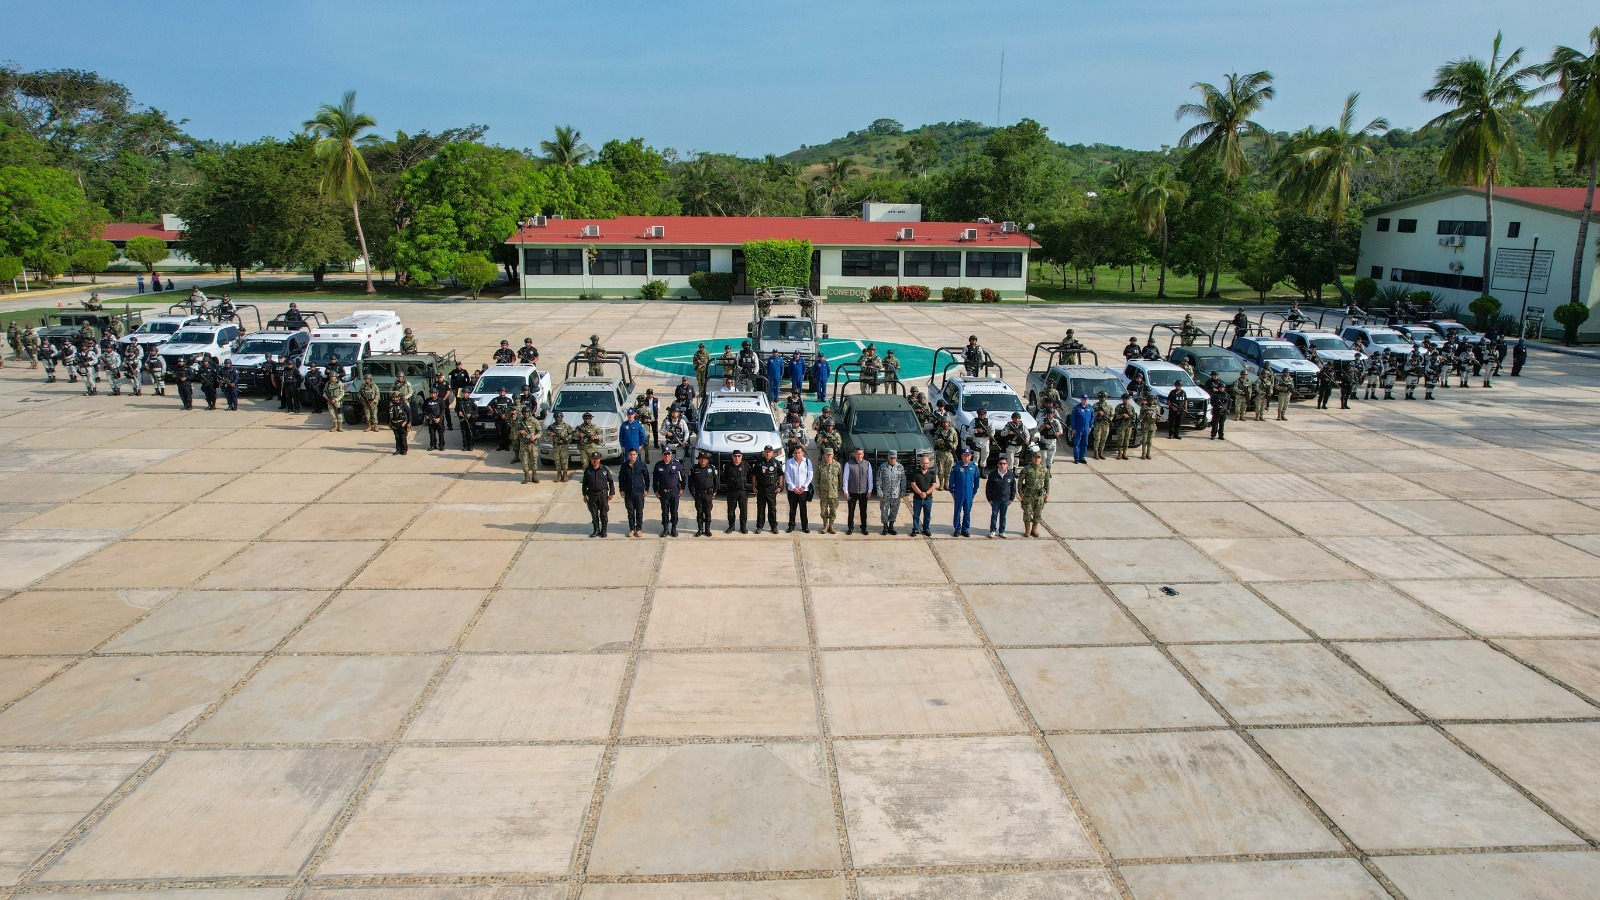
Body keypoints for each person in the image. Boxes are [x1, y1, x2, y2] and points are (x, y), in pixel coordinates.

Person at [617, 447, 650, 537]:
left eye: (634, 454)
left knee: (639, 511)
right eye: (631, 455)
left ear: (637, 455)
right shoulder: (624, 466)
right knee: (630, 512)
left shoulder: (641, 465)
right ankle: (632, 529)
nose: (632, 456)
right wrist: (621, 489)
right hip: (628, 492)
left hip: (639, 492)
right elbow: (621, 478)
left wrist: (646, 489)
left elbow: (646, 478)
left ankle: (638, 529)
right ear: (628, 455)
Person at [651, 447, 684, 537]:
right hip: (663, 493)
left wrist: (682, 488)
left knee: (674, 511)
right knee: (665, 512)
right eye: (665, 454)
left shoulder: (676, 464)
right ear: (662, 455)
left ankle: (674, 528)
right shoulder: (658, 465)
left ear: (671, 455)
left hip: (674, 492)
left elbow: (683, 477)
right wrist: (655, 491)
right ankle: (665, 529)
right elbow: (655, 480)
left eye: (668, 454)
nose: (667, 456)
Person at [581, 453, 615, 538]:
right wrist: (584, 494)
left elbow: (611, 482)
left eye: (597, 459)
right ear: (591, 459)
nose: (595, 461)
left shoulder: (605, 469)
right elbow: (584, 483)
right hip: (592, 495)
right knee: (594, 514)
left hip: (602, 495)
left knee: (604, 513)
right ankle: (596, 530)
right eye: (593, 459)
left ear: (600, 459)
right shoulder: (588, 470)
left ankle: (604, 530)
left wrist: (611, 493)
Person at [752, 444, 783, 534]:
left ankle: (773, 527)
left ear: (772, 453)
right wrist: (753, 486)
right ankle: (759, 526)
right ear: (764, 452)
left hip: (772, 489)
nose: (768, 453)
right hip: (761, 488)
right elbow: (754, 475)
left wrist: (780, 486)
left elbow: (781, 474)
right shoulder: (759, 462)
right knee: (761, 508)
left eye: (769, 452)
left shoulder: (776, 463)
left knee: (772, 509)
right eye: (766, 452)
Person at [843, 447, 874, 536]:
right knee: (851, 512)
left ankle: (864, 527)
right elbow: (845, 478)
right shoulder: (849, 464)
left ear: (863, 455)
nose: (859, 455)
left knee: (863, 512)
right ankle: (850, 527)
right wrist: (845, 491)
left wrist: (869, 490)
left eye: (861, 454)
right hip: (852, 491)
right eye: (857, 454)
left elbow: (870, 478)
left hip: (864, 492)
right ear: (854, 454)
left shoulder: (867, 464)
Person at [1019, 449, 1050, 538]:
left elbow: (1047, 482)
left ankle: (1034, 529)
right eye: (1035, 457)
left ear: (1041, 459)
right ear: (1032, 458)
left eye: (1038, 457)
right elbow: (1020, 481)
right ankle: (1027, 529)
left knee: (1038, 513)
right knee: (1027, 513)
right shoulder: (1026, 469)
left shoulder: (1044, 469)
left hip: (1039, 495)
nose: (1037, 459)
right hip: (1028, 495)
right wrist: (1020, 492)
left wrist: (1047, 493)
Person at [783, 444, 814, 533]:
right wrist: (794, 487)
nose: (797, 455)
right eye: (796, 453)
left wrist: (804, 486)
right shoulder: (789, 462)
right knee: (792, 509)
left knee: (803, 509)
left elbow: (810, 475)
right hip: (792, 491)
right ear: (793, 453)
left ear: (802, 453)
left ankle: (805, 526)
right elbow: (787, 476)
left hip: (803, 490)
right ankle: (791, 526)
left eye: (799, 453)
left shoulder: (807, 462)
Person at [720, 449, 752, 533]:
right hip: (732, 492)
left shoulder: (745, 465)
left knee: (743, 511)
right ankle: (731, 526)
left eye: (739, 456)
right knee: (731, 511)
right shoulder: (728, 466)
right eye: (735, 456)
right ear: (732, 457)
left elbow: (749, 476)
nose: (737, 458)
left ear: (741, 457)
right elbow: (725, 477)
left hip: (743, 491)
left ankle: (743, 527)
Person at [949, 448, 979, 537]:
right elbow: (951, 480)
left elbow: (977, 481)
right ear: (961, 456)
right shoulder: (956, 467)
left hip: (969, 493)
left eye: (968, 455)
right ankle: (957, 529)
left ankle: (965, 529)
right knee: (957, 511)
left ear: (971, 456)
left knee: (967, 511)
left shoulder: (974, 467)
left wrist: (974, 492)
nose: (966, 457)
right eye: (965, 455)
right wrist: (952, 491)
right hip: (958, 492)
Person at [689, 449, 719, 536]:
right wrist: (693, 494)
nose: (702, 460)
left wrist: (715, 491)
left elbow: (716, 481)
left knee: (708, 512)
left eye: (704, 459)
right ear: (698, 460)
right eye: (701, 459)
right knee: (699, 512)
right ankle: (700, 529)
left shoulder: (712, 468)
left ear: (707, 460)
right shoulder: (694, 469)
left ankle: (707, 529)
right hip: (698, 494)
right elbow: (690, 483)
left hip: (708, 494)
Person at [986, 456, 1017, 538]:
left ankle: (1002, 531)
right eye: (1001, 463)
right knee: (994, 515)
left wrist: (1011, 499)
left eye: (1004, 463)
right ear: (998, 465)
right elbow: (988, 488)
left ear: (1007, 465)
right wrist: (989, 499)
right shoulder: (993, 474)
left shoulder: (1010, 475)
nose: (1002, 465)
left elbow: (1013, 487)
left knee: (1003, 516)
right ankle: (993, 530)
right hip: (995, 499)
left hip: (1005, 500)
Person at [876, 450, 906, 535]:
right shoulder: (883, 467)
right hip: (885, 494)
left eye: (894, 458)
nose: (893, 459)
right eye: (891, 458)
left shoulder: (900, 467)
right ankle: (885, 527)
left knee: (894, 511)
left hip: (896, 494)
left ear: (896, 458)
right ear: (888, 457)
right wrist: (879, 490)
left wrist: (903, 491)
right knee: (884, 510)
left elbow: (903, 480)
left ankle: (891, 526)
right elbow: (878, 479)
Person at [815, 447, 842, 534]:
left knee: (833, 510)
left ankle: (831, 525)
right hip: (823, 492)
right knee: (823, 510)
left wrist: (839, 490)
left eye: (830, 454)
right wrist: (817, 490)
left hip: (834, 492)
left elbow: (841, 478)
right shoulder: (820, 465)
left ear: (833, 455)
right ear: (824, 455)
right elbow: (817, 479)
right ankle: (825, 525)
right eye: (827, 455)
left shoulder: (837, 465)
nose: (829, 456)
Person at [908, 453, 936, 537]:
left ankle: (926, 529)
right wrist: (920, 493)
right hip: (917, 498)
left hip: (928, 498)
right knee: (916, 515)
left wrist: (926, 493)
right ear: (920, 463)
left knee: (927, 515)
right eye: (923, 463)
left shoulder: (932, 474)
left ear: (929, 464)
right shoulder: (915, 473)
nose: (925, 465)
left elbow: (934, 485)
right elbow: (913, 484)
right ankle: (915, 529)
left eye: (927, 463)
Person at [932, 416, 960, 489]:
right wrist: (939, 441)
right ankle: (941, 484)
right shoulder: (938, 432)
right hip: (941, 453)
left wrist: (952, 447)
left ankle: (946, 484)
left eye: (946, 422)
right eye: (943, 422)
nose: (945, 424)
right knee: (940, 470)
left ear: (949, 423)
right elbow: (934, 441)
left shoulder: (952, 431)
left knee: (949, 469)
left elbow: (956, 441)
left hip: (949, 453)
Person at [1068, 395, 1093, 464]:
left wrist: (1090, 426)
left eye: (1086, 399)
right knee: (1077, 443)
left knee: (1085, 443)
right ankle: (1076, 458)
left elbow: (1092, 418)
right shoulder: (1076, 408)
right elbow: (1072, 419)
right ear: (1081, 399)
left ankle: (1082, 457)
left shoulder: (1090, 408)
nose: (1085, 401)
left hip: (1086, 428)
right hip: (1078, 428)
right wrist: (1073, 428)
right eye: (1083, 399)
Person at [1090, 392, 1112, 460]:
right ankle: (1096, 453)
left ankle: (1101, 452)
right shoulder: (1095, 406)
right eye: (1101, 397)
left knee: (1103, 439)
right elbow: (1091, 414)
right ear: (1099, 398)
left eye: (1104, 397)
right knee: (1097, 439)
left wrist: (1109, 419)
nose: (1103, 398)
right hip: (1098, 424)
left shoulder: (1109, 406)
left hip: (1106, 425)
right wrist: (1098, 413)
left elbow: (1111, 415)